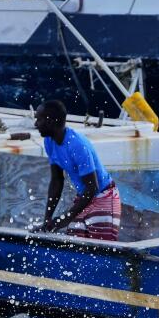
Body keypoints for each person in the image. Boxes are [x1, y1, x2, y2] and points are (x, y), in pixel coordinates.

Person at [35, 99, 121, 241]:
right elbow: (57, 181)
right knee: (74, 242)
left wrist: (66, 218)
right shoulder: (49, 141)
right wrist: (47, 220)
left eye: (38, 119)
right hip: (85, 196)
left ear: (49, 121)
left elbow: (93, 187)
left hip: (104, 196)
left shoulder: (77, 145)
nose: (36, 124)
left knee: (102, 248)